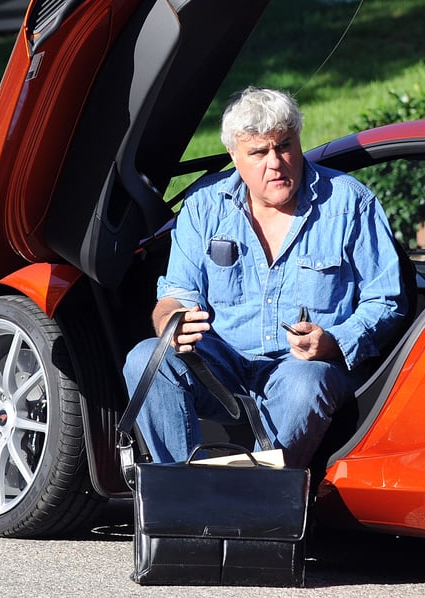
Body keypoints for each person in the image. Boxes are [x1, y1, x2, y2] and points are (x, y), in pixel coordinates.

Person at [123, 87, 407, 468]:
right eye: (258, 152)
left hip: (302, 369)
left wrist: (336, 342)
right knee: (145, 358)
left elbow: (386, 299)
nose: (275, 162)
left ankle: (258, 497)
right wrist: (170, 323)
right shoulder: (204, 206)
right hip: (221, 367)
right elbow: (177, 293)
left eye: (284, 146)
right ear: (234, 157)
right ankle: (179, 491)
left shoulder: (349, 202)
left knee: (306, 383)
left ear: (298, 140)